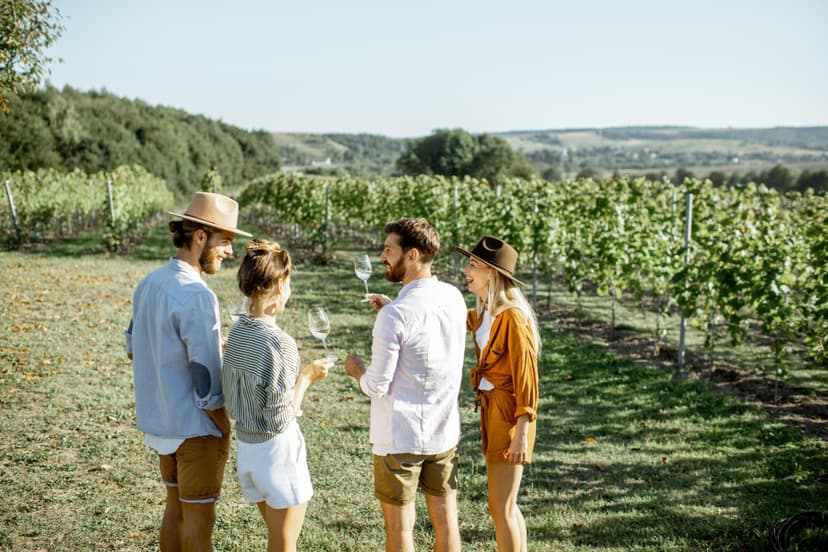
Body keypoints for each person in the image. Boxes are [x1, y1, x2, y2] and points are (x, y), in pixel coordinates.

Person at [125, 191, 252, 551]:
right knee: (200, 526)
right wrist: (223, 424)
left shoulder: (150, 282)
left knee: (174, 513)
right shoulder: (197, 295)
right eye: (225, 241)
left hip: (162, 425)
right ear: (200, 237)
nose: (229, 251)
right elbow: (206, 382)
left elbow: (136, 347)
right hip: (196, 430)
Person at [344, 218, 467, 552]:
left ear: (411, 255)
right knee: (447, 522)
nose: (382, 255)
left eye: (389, 249)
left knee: (400, 532)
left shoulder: (395, 316)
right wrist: (391, 308)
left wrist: (357, 370)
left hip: (399, 438)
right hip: (444, 432)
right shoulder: (454, 297)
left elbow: (376, 386)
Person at [222, 239, 333, 552]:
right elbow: (280, 417)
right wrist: (307, 377)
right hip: (277, 455)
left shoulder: (238, 332)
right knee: (284, 547)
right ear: (279, 285)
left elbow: (233, 397)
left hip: (247, 451)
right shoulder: (280, 343)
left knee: (277, 541)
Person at [456, 236, 540, 552]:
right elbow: (444, 317)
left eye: (474, 264)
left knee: (501, 507)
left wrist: (522, 430)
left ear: (492, 273)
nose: (467, 269)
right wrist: (395, 306)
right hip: (491, 410)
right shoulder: (484, 313)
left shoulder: (513, 317)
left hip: (510, 414)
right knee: (503, 506)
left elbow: (527, 378)